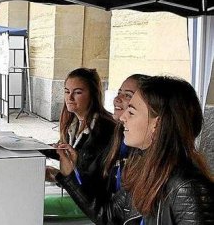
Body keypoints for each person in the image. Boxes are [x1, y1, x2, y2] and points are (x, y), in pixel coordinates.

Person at [56, 76, 214, 224]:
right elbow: (108, 215)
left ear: (157, 124)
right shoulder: (142, 169)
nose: (123, 117)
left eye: (131, 112)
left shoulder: (187, 188)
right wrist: (70, 175)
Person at [43, 68, 116, 204]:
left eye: (77, 92)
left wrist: (58, 176)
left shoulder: (105, 128)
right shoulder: (73, 122)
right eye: (66, 91)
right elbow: (65, 152)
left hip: (95, 202)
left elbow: (93, 177)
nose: (69, 98)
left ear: (93, 95)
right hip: (77, 194)